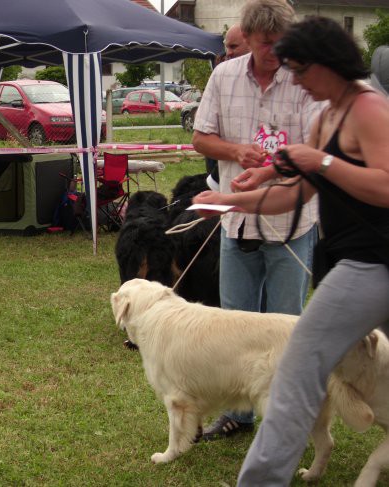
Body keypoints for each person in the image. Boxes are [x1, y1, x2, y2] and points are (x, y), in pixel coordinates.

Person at [193, 16, 389, 485]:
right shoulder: (327, 117)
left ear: (326, 64)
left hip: (372, 263)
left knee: (297, 368)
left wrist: (320, 160)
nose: (294, 79)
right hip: (350, 262)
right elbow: (292, 195)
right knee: (299, 368)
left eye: (300, 69)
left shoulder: (369, 109)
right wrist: (227, 201)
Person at [192, 0, 323, 441]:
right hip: (237, 224)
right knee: (236, 325)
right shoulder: (223, 76)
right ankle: (238, 415)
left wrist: (269, 169)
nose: (276, 52)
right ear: (245, 38)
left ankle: (284, 422)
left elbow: (314, 152)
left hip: (293, 222)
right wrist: (236, 152)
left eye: (283, 43)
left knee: (286, 327)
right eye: (267, 44)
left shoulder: (306, 80)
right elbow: (199, 138)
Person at [205, 24, 250, 191]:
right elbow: (201, 139)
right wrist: (237, 151)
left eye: (234, 46)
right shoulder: (220, 78)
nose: (228, 52)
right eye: (226, 46)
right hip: (224, 178)